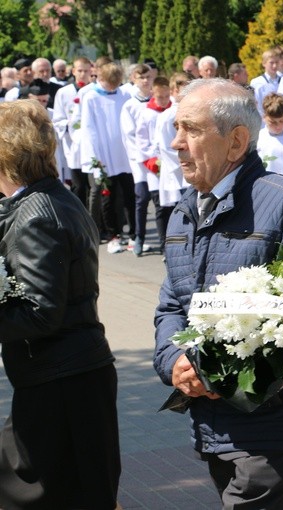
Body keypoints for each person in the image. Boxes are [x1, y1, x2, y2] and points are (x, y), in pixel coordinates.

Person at [153, 78, 283, 508]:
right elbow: (171, 307)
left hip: (270, 414)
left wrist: (221, 375)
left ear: (236, 142)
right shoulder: (183, 212)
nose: (176, 143)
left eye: (191, 130)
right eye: (177, 128)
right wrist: (174, 361)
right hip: (209, 413)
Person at [0, 99, 120, 508]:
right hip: (65, 375)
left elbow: (39, 312)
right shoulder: (50, 197)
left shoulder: (38, 213)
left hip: (61, 381)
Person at [79, 61, 134, 254]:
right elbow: (88, 129)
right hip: (103, 154)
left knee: (128, 194)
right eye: (110, 83)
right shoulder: (91, 97)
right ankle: (112, 234)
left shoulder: (125, 94)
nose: (113, 87)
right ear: (101, 79)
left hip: (124, 154)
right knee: (106, 196)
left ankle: (132, 234)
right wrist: (96, 157)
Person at [134, 76, 173, 256]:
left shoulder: (173, 111)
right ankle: (163, 244)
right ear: (153, 94)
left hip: (172, 163)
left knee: (173, 204)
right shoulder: (146, 113)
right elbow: (141, 141)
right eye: (160, 97)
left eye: (167, 96)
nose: (164, 101)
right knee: (159, 206)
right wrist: (151, 160)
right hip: (155, 166)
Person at [120, 64, 156, 256]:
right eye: (141, 77)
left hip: (158, 158)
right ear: (134, 79)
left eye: (148, 77)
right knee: (142, 197)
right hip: (140, 159)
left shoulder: (158, 101)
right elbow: (129, 135)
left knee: (161, 200)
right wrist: (143, 156)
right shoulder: (130, 105)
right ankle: (139, 237)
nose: (145, 81)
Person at [153, 72, 191, 253]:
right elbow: (166, 147)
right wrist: (186, 160)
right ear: (175, 90)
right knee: (177, 212)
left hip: (189, 170)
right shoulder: (168, 116)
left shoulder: (190, 111)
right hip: (177, 172)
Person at [52, 56, 92, 207]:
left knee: (94, 187)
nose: (83, 74)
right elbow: (58, 120)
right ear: (73, 71)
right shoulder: (63, 92)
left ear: (91, 71)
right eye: (79, 70)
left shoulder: (93, 91)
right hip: (73, 145)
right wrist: (71, 125)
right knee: (79, 185)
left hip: (91, 144)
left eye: (86, 71)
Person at [250, 47, 282, 117]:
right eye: (271, 63)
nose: (275, 66)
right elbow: (256, 105)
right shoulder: (257, 82)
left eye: (277, 62)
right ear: (264, 63)